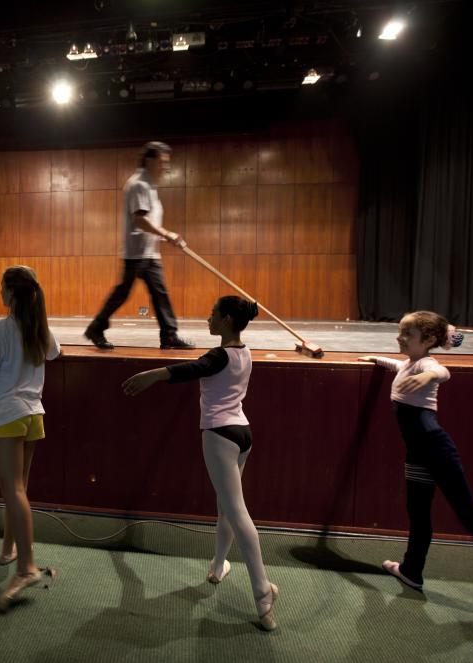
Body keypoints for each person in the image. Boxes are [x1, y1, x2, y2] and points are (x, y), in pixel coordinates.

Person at [359, 311, 473, 625]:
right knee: (418, 513)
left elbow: (441, 372)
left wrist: (429, 376)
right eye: (399, 333)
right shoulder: (411, 364)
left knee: (471, 516)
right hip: (418, 454)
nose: (398, 339)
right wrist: (377, 359)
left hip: (437, 452)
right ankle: (412, 571)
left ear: (427, 341)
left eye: (405, 335)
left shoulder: (427, 366)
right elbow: (400, 367)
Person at [122, 295, 278, 631]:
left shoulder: (219, 355)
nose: (207, 319)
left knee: (236, 512)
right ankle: (218, 565)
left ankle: (262, 591)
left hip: (220, 435)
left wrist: (154, 374)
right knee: (225, 508)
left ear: (225, 320)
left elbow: (196, 369)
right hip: (243, 433)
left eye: (212, 314)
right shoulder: (244, 351)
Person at [0, 265, 60, 611]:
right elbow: (55, 353)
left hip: (8, 416)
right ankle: (9, 548)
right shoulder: (40, 330)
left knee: (14, 491)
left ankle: (25, 567)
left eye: (1, 287)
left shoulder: (0, 331)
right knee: (17, 489)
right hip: (33, 416)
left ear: (10, 293)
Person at [84, 141, 193, 351]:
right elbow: (140, 220)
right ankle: (96, 328)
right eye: (162, 162)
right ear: (149, 160)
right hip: (137, 254)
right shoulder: (139, 184)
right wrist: (167, 233)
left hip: (149, 253)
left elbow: (146, 222)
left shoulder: (150, 185)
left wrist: (161, 238)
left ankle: (169, 336)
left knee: (159, 294)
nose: (166, 167)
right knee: (123, 293)